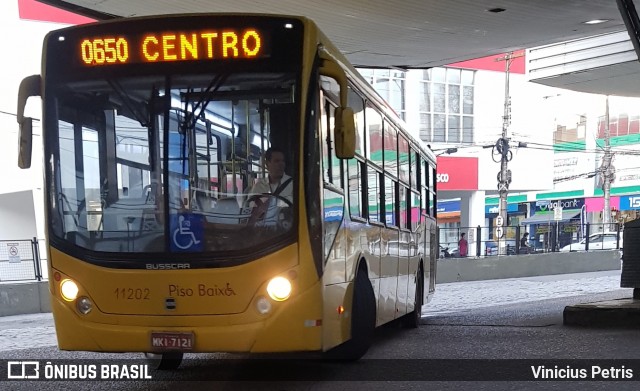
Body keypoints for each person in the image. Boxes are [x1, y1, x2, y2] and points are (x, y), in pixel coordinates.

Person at [247, 147, 293, 224]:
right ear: (267, 164)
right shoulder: (259, 186)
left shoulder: (293, 185)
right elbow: (249, 209)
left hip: (286, 229)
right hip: (262, 231)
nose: (281, 164)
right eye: (277, 161)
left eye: (283, 161)